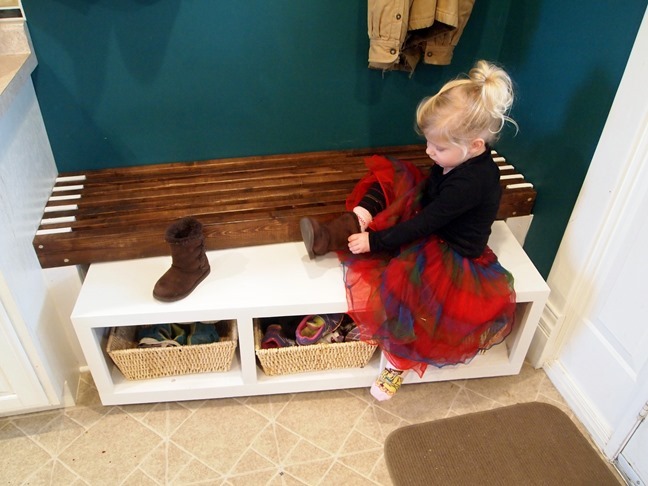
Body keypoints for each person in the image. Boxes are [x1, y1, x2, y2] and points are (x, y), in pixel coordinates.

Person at [299, 60, 517, 401]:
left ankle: (397, 364)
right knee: (388, 177)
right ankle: (353, 220)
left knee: (407, 293)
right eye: (429, 143)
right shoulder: (456, 160)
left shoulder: (471, 182)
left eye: (439, 148)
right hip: (432, 209)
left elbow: (426, 224)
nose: (430, 152)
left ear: (475, 146)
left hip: (448, 247)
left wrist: (376, 242)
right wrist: (404, 201)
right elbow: (428, 196)